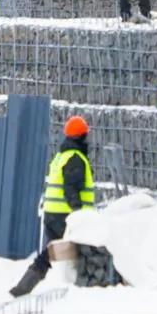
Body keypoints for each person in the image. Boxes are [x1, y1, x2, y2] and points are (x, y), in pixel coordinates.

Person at [9, 116, 96, 297]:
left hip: (52, 214)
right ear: (81, 137)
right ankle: (86, 292)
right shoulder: (75, 158)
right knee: (85, 251)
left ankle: (23, 287)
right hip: (65, 215)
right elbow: (70, 187)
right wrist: (78, 212)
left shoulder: (61, 156)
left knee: (49, 253)